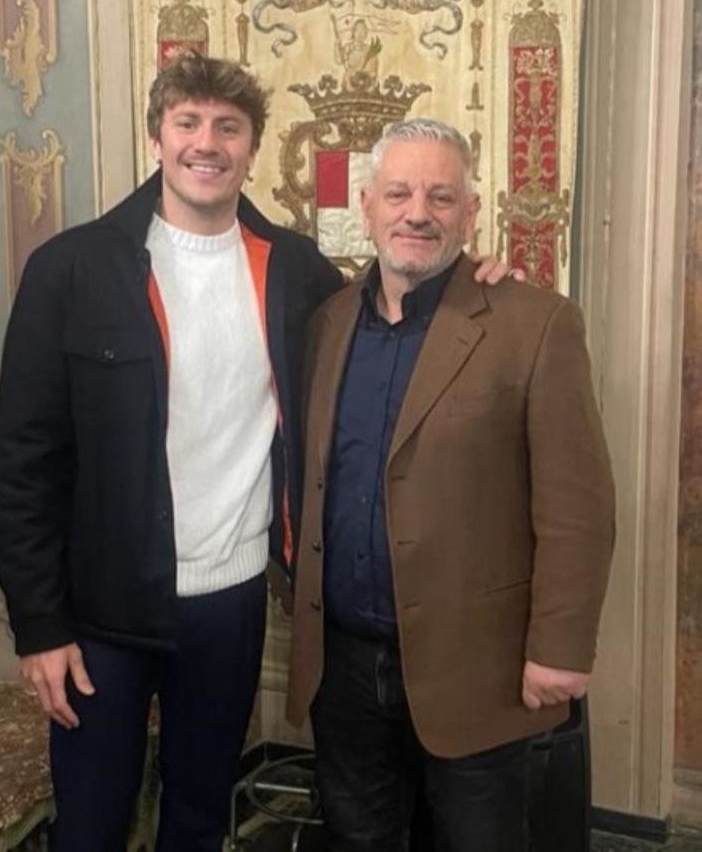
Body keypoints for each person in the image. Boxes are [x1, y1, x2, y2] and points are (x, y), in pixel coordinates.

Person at [0, 57, 510, 851]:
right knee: (91, 826)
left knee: (201, 816)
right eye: (188, 123)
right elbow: (22, 459)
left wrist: (476, 279)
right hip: (101, 609)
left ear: (252, 147)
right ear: (157, 136)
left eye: (228, 127)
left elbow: (396, 299)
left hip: (230, 604)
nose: (207, 143)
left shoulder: (297, 271)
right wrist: (39, 625)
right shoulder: (72, 268)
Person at [286, 118, 615, 852]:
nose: (418, 213)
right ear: (367, 206)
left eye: (440, 197)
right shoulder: (328, 324)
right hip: (343, 667)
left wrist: (560, 645)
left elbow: (578, 509)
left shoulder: (535, 324)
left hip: (479, 669)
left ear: (470, 214)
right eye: (398, 193)